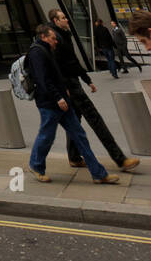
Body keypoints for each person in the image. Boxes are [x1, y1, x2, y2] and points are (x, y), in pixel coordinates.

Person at [27, 24, 119, 184]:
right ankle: (36, 165)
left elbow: (56, 74)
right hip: (50, 104)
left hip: (63, 102)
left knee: (80, 135)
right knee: (47, 136)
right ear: (43, 37)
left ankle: (99, 174)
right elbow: (43, 80)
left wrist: (65, 90)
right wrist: (58, 97)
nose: (56, 41)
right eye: (53, 38)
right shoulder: (36, 52)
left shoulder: (48, 50)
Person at [49, 9, 138, 172]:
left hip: (73, 82)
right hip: (70, 86)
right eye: (63, 18)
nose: (67, 20)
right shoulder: (55, 38)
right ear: (55, 21)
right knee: (95, 120)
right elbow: (57, 66)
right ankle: (120, 159)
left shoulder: (64, 34)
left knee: (74, 121)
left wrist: (87, 80)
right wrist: (65, 88)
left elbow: (73, 61)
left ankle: (74, 157)